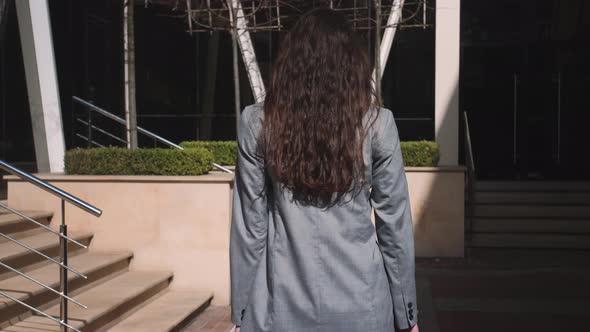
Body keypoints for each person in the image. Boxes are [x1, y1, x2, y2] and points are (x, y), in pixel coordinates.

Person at [230, 8, 419, 332]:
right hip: (363, 308)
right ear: (352, 66)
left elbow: (250, 230)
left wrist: (241, 313)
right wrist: (407, 315)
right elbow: (394, 226)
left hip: (280, 309)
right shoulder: (377, 124)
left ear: (290, 64)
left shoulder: (257, 123)